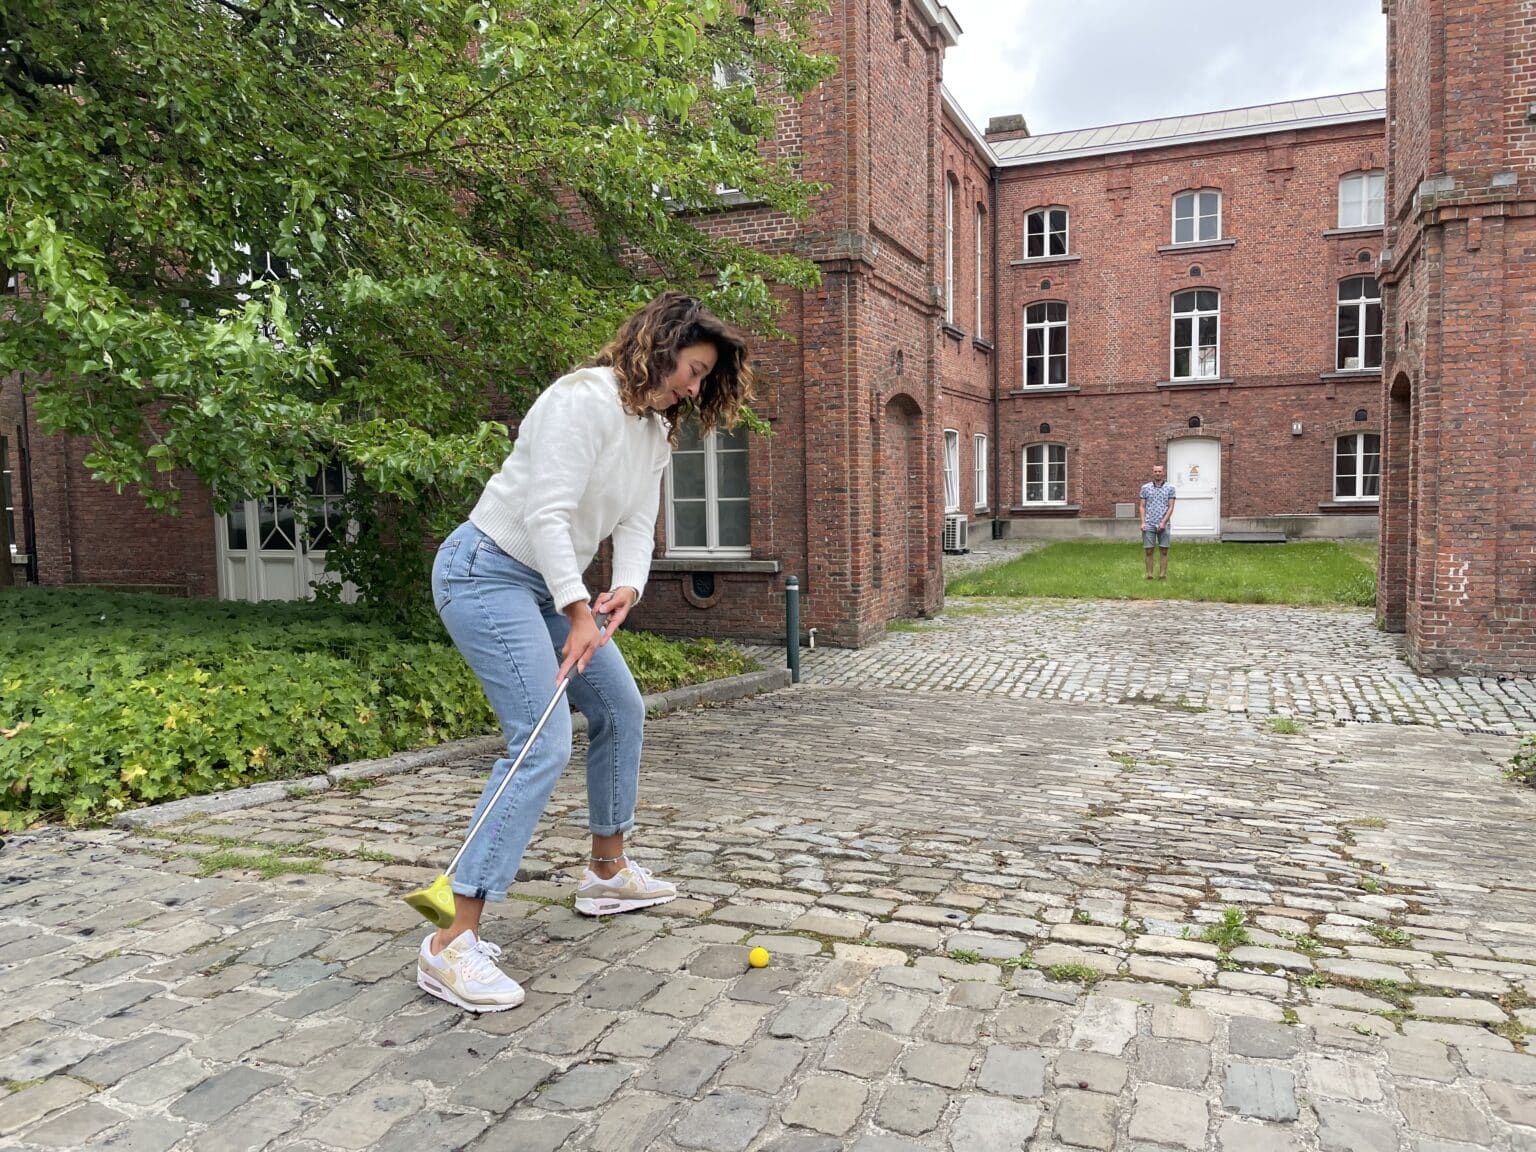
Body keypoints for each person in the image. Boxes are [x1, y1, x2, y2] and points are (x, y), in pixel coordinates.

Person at [418, 291, 753, 1012]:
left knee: (621, 709)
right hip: (486, 572)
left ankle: (606, 872)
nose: (694, 389)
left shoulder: (653, 432)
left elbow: (635, 521)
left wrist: (626, 587)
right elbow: (547, 514)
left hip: (547, 587)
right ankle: (450, 939)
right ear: (660, 347)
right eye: (692, 370)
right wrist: (576, 609)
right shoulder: (583, 398)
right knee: (540, 743)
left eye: (703, 379)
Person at [1139, 463, 1177, 580]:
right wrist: (1143, 522)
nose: (1157, 473)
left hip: (1164, 523)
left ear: (1163, 472)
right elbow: (1142, 506)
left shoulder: (1170, 488)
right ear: (1152, 472)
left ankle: (1162, 575)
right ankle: (1149, 574)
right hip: (1149, 523)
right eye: (1155, 471)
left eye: (1159, 471)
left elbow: (1171, 507)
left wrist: (1163, 522)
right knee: (1149, 550)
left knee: (1164, 550)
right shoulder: (1145, 488)